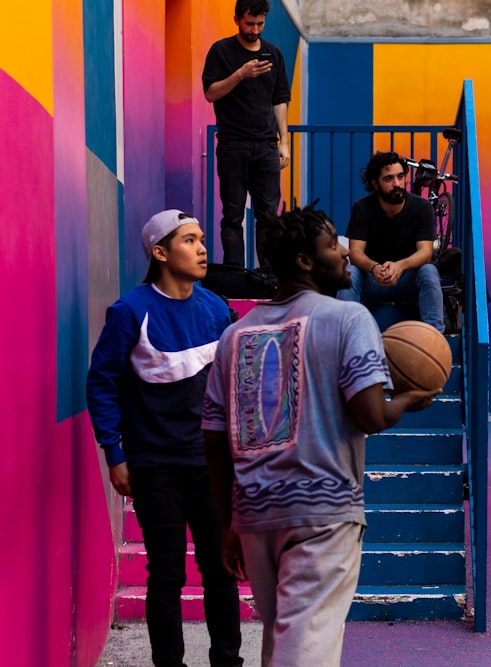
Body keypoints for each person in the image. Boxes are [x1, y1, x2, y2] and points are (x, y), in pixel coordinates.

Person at [202, 205, 438, 666]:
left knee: (285, 638)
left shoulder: (236, 334)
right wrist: (410, 399)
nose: (346, 255)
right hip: (323, 511)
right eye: (333, 246)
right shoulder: (349, 319)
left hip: (255, 512)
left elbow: (213, 438)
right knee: (304, 647)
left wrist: (229, 520)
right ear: (306, 261)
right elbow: (370, 415)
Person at [86, 210, 242, 667]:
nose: (201, 248)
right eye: (189, 240)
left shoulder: (217, 308)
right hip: (154, 465)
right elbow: (102, 383)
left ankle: (227, 662)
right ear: (160, 252)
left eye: (201, 240)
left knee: (220, 571)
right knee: (167, 574)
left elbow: (237, 379)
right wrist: (114, 453)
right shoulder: (130, 311)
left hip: (210, 464)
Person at [203, 0, 291, 268]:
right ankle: (235, 277)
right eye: (249, 23)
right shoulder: (221, 51)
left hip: (265, 145)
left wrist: (284, 142)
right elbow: (211, 93)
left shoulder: (273, 54)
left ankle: (267, 277)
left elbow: (279, 100)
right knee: (233, 214)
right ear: (237, 19)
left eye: (260, 24)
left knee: (268, 216)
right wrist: (240, 74)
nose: (254, 29)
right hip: (233, 144)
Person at [339, 151, 445, 333]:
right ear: (375, 183)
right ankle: (342, 334)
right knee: (350, 272)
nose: (397, 184)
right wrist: (374, 268)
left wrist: (400, 266)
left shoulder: (422, 207)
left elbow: (426, 252)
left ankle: (434, 336)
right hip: (374, 279)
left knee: (429, 270)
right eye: (388, 179)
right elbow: (355, 253)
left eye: (400, 176)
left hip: (407, 280)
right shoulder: (362, 208)